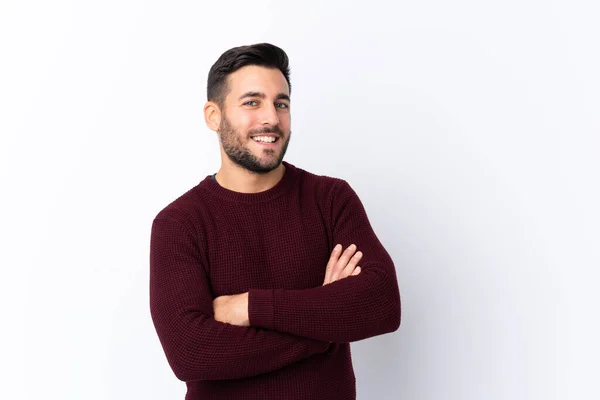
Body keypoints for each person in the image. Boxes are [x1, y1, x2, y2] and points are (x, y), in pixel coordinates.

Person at [149, 43, 401, 400]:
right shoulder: (180, 223)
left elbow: (382, 305)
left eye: (281, 103)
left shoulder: (330, 199)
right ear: (213, 115)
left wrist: (250, 307)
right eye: (252, 102)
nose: (271, 118)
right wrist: (322, 326)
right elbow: (191, 353)